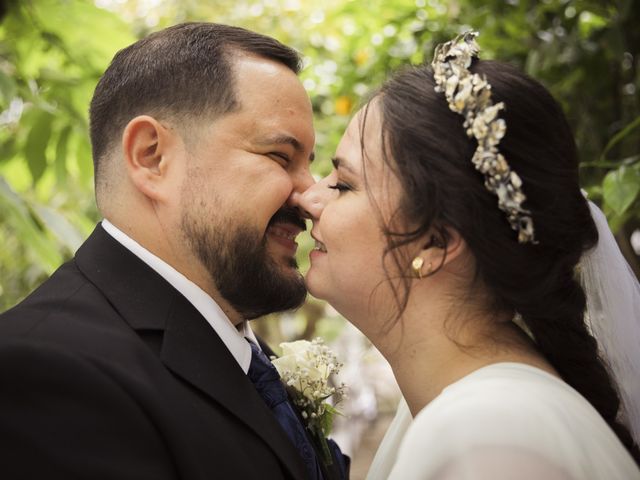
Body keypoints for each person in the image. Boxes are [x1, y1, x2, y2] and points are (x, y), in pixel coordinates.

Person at [0, 22, 347, 480]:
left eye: (311, 164)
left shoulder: (243, 354)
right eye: (281, 157)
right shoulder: (44, 370)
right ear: (151, 157)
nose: (309, 195)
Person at [297, 32, 640, 479]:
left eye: (344, 185)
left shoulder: (485, 436)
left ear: (436, 244)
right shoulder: (470, 409)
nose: (308, 198)